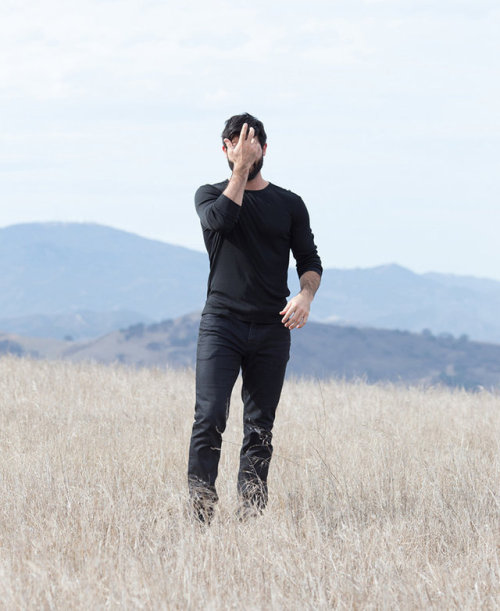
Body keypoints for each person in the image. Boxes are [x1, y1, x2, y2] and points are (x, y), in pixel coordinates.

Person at [187, 112, 322, 523]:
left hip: (272, 327)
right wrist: (241, 170)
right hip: (221, 325)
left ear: (266, 147)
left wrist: (305, 294)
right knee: (209, 418)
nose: (245, 147)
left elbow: (310, 260)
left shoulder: (289, 204)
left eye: (253, 141)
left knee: (260, 427)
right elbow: (222, 223)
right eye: (236, 142)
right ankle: (201, 516)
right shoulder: (209, 195)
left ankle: (251, 518)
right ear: (225, 149)